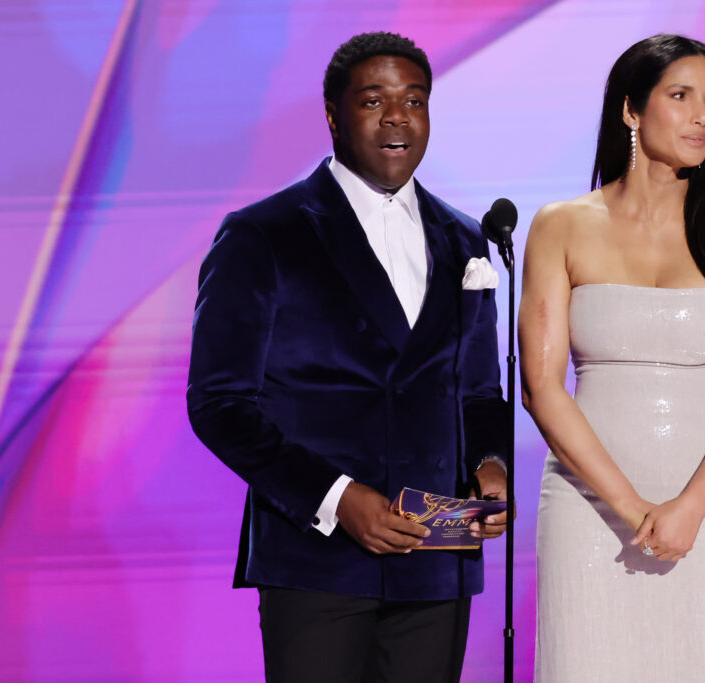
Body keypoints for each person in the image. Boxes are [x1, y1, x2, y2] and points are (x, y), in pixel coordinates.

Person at [186, 31, 509, 683]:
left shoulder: (467, 240)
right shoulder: (263, 234)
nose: (397, 117)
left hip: (435, 561)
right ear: (333, 115)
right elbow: (219, 403)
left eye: (414, 100)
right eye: (373, 100)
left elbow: (478, 390)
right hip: (316, 561)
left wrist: (491, 466)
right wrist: (336, 498)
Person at [520, 34, 705, 681]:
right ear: (631, 109)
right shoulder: (561, 224)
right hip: (590, 507)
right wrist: (634, 510)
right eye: (681, 96)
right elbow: (542, 387)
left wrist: (691, 506)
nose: (702, 117)